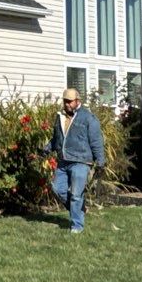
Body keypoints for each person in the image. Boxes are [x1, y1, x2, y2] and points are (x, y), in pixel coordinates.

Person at [46, 88, 105, 233]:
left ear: (77, 101)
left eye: (69, 101)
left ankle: (77, 226)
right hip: (63, 161)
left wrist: (101, 162)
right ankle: (80, 208)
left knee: (76, 195)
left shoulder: (88, 118)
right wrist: (46, 148)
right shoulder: (59, 116)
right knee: (57, 189)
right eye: (65, 101)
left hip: (81, 161)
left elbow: (96, 141)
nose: (67, 104)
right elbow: (57, 139)